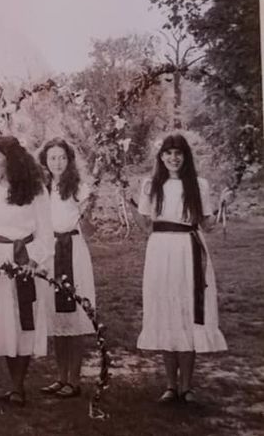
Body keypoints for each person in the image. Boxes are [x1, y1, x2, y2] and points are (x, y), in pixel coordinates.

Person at [132, 133, 229, 404]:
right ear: (160, 156)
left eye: (178, 153)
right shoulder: (151, 184)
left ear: (185, 157)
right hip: (161, 251)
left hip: (188, 250)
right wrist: (131, 201)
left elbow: (206, 225)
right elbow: (145, 225)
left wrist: (222, 203)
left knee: (188, 312)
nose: (172, 158)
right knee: (166, 312)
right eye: (168, 153)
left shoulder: (198, 184)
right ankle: (171, 385)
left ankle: (187, 386)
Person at [0, 135, 53, 406]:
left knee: (22, 321)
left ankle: (18, 386)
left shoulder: (36, 190)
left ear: (10, 160)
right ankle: (11, 382)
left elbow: (46, 233)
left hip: (25, 260)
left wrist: (32, 262)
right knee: (3, 322)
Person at [37, 138, 96, 398]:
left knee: (73, 316)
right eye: (52, 158)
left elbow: (90, 227)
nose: (57, 163)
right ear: (45, 161)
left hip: (72, 251)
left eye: (62, 157)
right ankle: (60, 377)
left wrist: (89, 210)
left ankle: (74, 378)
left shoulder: (79, 189)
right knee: (57, 318)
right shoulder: (41, 190)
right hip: (50, 253)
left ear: (69, 160)